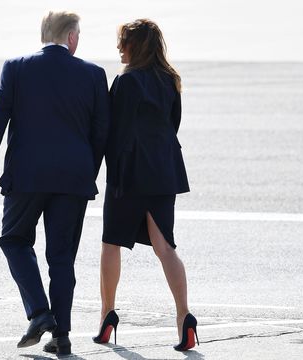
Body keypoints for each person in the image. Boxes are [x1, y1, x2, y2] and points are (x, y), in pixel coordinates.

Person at [0, 10, 109, 356]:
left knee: (14, 239)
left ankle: (38, 312)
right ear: (70, 37)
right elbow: (101, 134)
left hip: (26, 176)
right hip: (73, 179)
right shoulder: (94, 75)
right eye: (78, 34)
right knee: (62, 257)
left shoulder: (16, 67)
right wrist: (85, 172)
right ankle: (61, 336)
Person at [93, 19, 198, 351]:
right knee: (166, 248)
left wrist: (100, 171)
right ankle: (184, 318)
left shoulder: (126, 83)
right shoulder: (170, 80)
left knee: (112, 244)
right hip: (165, 172)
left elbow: (114, 132)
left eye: (122, 42)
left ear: (133, 46)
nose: (118, 49)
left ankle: (107, 314)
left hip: (130, 174)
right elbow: (173, 125)